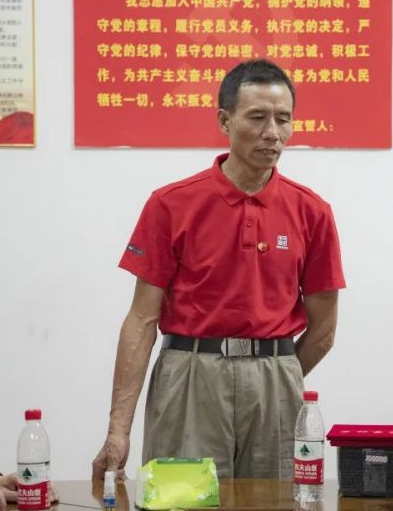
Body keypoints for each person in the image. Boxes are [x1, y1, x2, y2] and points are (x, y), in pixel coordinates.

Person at [91, 59, 345, 480]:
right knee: (181, 498)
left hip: (276, 380)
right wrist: (118, 430)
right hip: (190, 376)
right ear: (225, 121)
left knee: (276, 502)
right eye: (257, 117)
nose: (272, 132)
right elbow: (141, 319)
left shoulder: (312, 212)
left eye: (283, 119)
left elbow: (324, 332)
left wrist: (277, 375)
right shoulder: (171, 204)